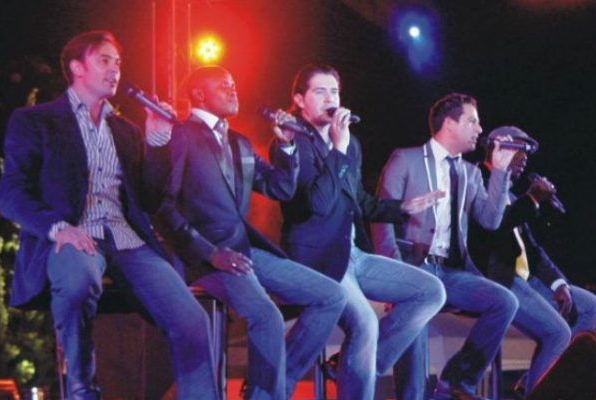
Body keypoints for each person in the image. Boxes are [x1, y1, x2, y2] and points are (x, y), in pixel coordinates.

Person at [0, 30, 218, 399]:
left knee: (192, 320)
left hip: (126, 240)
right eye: (104, 60)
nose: (115, 69)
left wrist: (157, 141)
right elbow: (9, 192)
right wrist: (57, 227)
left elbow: (149, 199)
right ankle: (82, 386)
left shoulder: (126, 131)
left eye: (118, 62)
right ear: (77, 67)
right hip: (74, 235)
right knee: (78, 281)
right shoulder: (36, 121)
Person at [153, 65, 347, 399]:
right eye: (223, 85)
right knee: (267, 316)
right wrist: (211, 253)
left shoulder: (239, 142)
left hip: (245, 249)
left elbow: (280, 188)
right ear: (198, 94)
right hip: (205, 256)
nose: (233, 90)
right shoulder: (180, 135)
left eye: (234, 84)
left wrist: (286, 146)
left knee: (331, 296)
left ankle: (275, 387)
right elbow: (162, 206)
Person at [271, 64, 446, 400]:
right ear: (299, 99)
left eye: (334, 91)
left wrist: (402, 207)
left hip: (353, 254)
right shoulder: (292, 141)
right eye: (320, 91)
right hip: (318, 259)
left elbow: (360, 201)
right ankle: (346, 374)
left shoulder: (350, 144)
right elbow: (319, 203)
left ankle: (351, 365)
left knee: (430, 291)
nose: (330, 99)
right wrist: (337, 150)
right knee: (365, 321)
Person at [372, 93, 521, 400]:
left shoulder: (470, 172)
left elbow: (490, 220)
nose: (480, 129)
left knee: (504, 302)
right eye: (472, 121)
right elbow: (381, 218)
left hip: (451, 271)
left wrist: (501, 172)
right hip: (414, 267)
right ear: (450, 124)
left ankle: (455, 384)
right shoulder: (406, 159)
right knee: (416, 327)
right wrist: (393, 274)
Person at [468, 126, 596, 396]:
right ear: (497, 148)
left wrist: (558, 284)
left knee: (590, 306)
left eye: (528, 152)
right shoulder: (476, 180)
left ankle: (535, 381)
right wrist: (531, 199)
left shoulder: (512, 196)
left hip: (526, 278)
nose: (526, 157)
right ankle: (541, 394)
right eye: (520, 148)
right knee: (557, 333)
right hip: (498, 276)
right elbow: (492, 229)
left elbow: (532, 249)